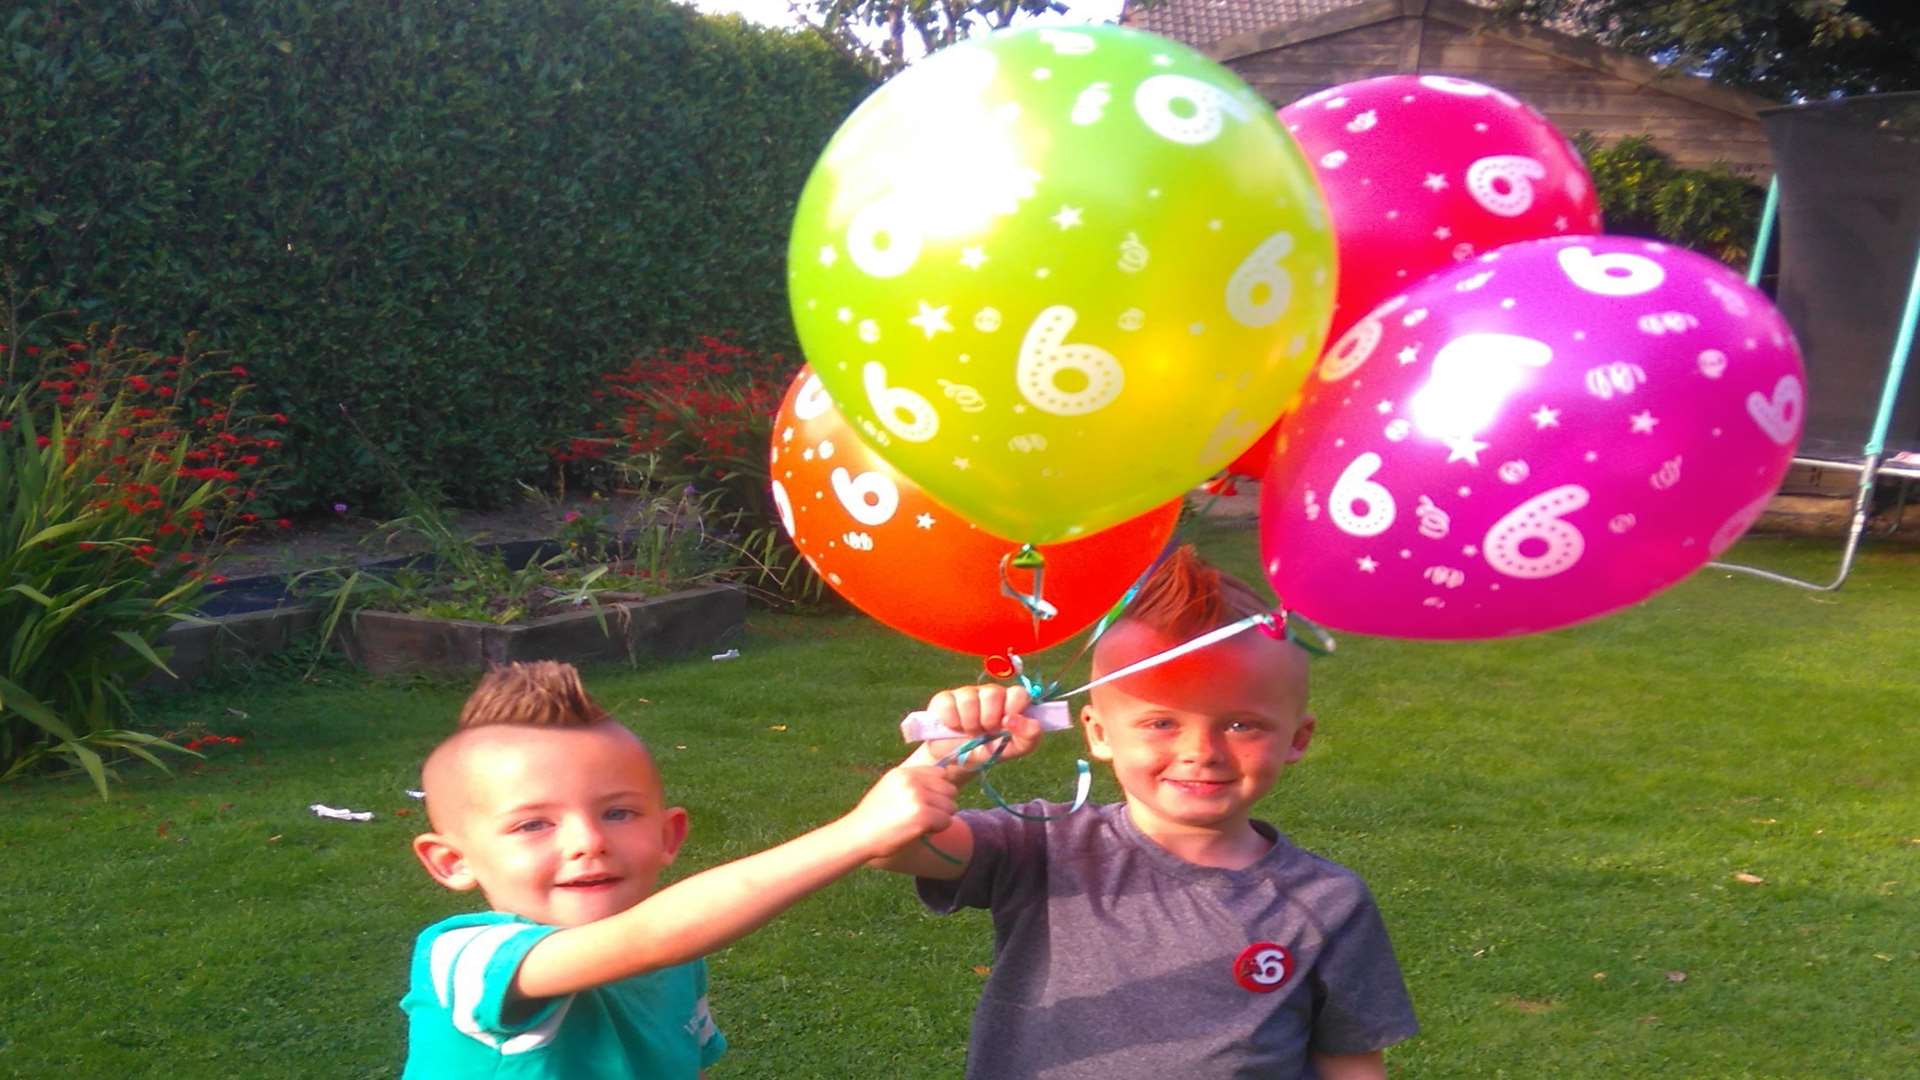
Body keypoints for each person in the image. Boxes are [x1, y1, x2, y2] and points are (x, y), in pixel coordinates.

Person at [874, 546, 1418, 1079]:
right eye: (1162, 723)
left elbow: (1350, 1060)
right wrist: (946, 761)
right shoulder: (1043, 846)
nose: (1200, 752)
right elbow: (893, 844)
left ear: (1296, 739)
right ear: (1098, 732)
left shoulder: (1328, 901)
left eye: (1241, 725)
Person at [401, 660, 957, 1078]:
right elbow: (651, 936)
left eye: (617, 813)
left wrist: (941, 759)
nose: (588, 842)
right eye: (532, 825)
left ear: (670, 836)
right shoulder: (464, 958)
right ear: (451, 862)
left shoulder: (676, 963)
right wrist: (857, 833)